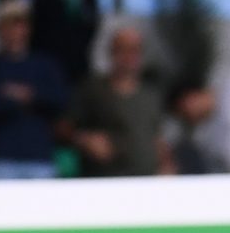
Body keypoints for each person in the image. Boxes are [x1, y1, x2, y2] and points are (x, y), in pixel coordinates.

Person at [0, 0, 70, 179]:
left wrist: (21, 94)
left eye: (19, 25)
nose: (15, 32)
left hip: (39, 158)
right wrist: (33, 96)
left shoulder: (46, 65)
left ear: (28, 28)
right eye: (8, 26)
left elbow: (58, 100)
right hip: (0, 159)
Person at [65, 24, 166, 177]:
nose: (129, 56)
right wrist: (85, 140)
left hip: (146, 180)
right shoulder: (93, 89)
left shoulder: (151, 94)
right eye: (123, 49)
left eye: (135, 50)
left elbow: (157, 137)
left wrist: (166, 165)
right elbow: (64, 127)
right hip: (107, 180)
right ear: (112, 52)